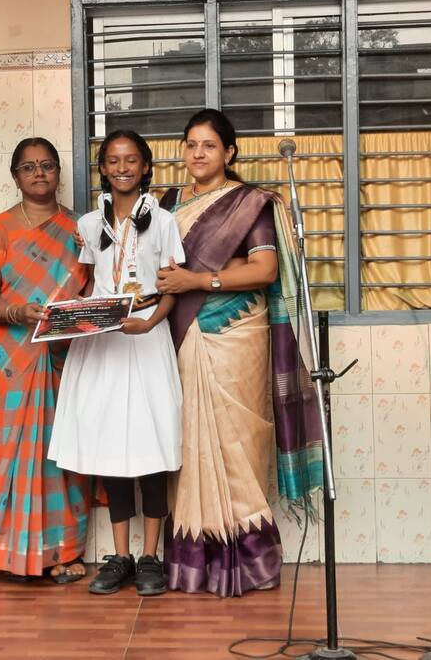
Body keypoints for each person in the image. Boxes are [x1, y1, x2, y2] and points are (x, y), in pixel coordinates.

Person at [157, 108, 324, 597]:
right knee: (189, 447)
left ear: (229, 152)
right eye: (190, 144)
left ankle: (248, 562)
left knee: (236, 444)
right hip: (180, 335)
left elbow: (264, 270)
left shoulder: (251, 203)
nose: (198, 154)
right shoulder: (166, 203)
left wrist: (198, 280)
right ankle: (194, 562)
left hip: (234, 333)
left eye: (209, 145)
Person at [48, 129, 185, 597]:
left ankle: (152, 557)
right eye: (112, 160)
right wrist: (70, 315)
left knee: (149, 446)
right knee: (110, 447)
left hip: (146, 336)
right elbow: (91, 286)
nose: (122, 167)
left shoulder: (165, 220)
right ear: (102, 168)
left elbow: (171, 286)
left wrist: (149, 324)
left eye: (131, 160)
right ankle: (120, 556)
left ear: (145, 167)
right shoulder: (88, 224)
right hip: (104, 342)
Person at [0, 138, 91, 583]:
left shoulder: (82, 229)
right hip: (10, 357)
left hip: (64, 355)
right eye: (29, 167)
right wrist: (18, 312)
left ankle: (62, 552)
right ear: (15, 176)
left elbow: (94, 291)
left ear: (58, 172)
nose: (40, 174)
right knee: (7, 452)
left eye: (48, 166)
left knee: (61, 453)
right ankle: (5, 551)